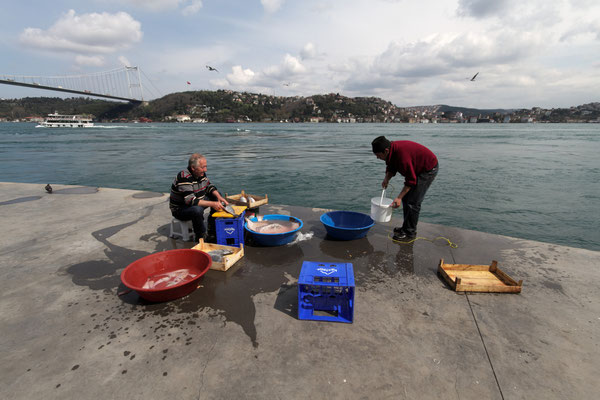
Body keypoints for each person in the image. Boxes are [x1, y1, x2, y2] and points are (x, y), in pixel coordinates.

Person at [372, 136, 438, 241]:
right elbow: (391, 167)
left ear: (386, 150)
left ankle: (409, 233)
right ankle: (405, 228)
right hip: (417, 167)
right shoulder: (391, 152)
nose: (377, 158)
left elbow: (411, 180)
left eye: (378, 155)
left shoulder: (402, 156)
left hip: (428, 169)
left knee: (413, 202)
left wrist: (399, 197)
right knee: (407, 199)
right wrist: (386, 179)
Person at [169, 153, 229, 242]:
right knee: (197, 210)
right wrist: (213, 204)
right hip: (180, 209)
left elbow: (209, 186)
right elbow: (190, 200)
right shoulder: (183, 177)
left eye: (206, 167)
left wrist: (219, 197)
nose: (205, 170)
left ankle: (212, 230)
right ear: (193, 168)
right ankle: (200, 236)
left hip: (196, 202)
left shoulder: (201, 173)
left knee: (216, 195)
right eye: (203, 167)